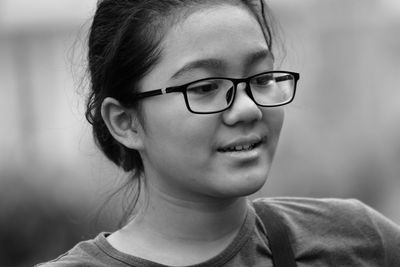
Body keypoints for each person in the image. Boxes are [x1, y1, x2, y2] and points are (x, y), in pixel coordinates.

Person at [36, 0, 400, 266]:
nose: (248, 108)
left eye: (261, 78)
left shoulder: (358, 242)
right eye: (205, 87)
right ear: (125, 122)